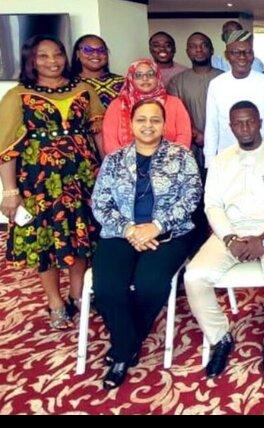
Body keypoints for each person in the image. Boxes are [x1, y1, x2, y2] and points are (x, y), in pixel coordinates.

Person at [184, 101, 264, 379]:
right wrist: (229, 238)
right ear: (231, 127)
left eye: (250, 121)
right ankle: (220, 337)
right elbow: (212, 205)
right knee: (194, 276)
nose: (245, 128)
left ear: (260, 122)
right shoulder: (221, 160)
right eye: (238, 123)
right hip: (231, 231)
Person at [90, 99, 202, 389]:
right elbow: (100, 203)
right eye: (141, 119)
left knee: (151, 285)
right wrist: (130, 229)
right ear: (131, 124)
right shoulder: (114, 159)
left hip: (169, 234)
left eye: (155, 120)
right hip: (120, 233)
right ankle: (127, 345)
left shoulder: (181, 156)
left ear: (164, 125)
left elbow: (192, 197)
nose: (148, 125)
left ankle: (122, 351)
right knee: (107, 289)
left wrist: (156, 226)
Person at [0, 35, 105, 330]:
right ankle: (55, 302)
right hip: (40, 182)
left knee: (81, 238)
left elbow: (98, 135)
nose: (52, 61)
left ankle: (77, 294)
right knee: (46, 242)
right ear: (31, 60)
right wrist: (10, 191)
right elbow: (6, 148)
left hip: (82, 178)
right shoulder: (18, 96)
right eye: (43, 56)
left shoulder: (84, 89)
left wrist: (105, 173)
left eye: (57, 54)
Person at [202, 29, 264, 165]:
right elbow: (212, 125)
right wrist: (210, 161)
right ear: (227, 55)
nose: (242, 57)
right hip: (228, 158)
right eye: (236, 52)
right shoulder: (216, 85)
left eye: (247, 52)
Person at [102, 59, 192, 155]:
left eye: (150, 74)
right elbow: (110, 140)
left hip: (171, 160)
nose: (145, 78)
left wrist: (170, 159)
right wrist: (125, 161)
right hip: (124, 162)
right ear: (131, 78)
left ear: (157, 77)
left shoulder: (175, 103)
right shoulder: (118, 104)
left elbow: (184, 135)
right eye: (138, 75)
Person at [166, 33, 223, 171]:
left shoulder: (224, 78)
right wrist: (196, 134)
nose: (199, 49)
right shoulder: (176, 81)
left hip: (222, 143)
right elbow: (176, 114)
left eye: (204, 45)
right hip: (191, 145)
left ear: (212, 50)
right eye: (193, 46)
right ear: (187, 52)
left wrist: (212, 138)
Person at [71, 34, 124, 109]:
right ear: (78, 54)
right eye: (88, 50)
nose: (95, 54)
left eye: (101, 50)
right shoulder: (69, 84)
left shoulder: (123, 83)